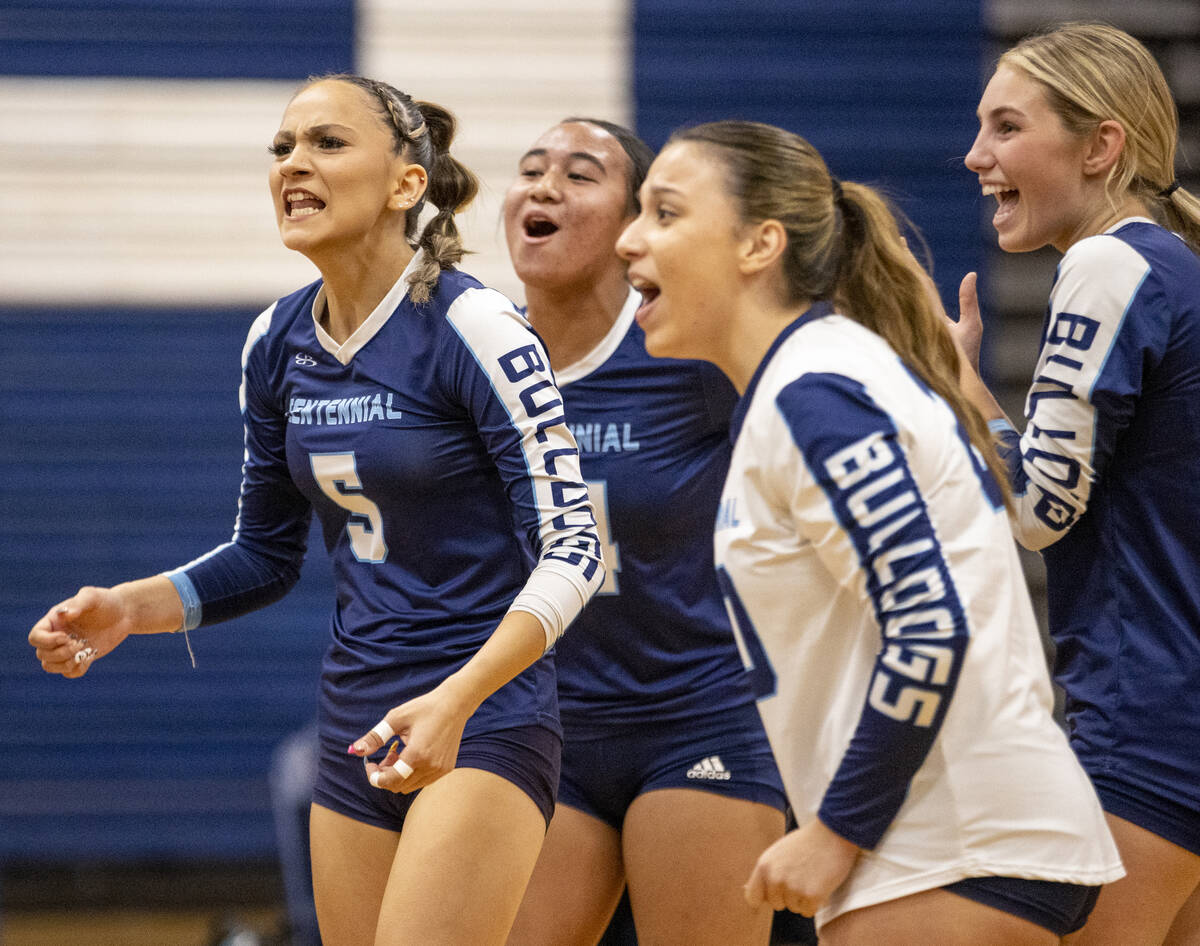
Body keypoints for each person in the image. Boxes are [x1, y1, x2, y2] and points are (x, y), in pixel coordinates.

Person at [27, 74, 604, 946]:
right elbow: (262, 554)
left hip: (482, 714)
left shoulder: (476, 326)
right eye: (283, 148)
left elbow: (575, 547)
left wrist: (457, 699)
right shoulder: (278, 341)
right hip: (354, 720)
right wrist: (126, 609)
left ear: (407, 185)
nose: (294, 164)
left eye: (327, 144)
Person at [614, 119, 1125, 946]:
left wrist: (836, 831)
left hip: (954, 848)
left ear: (759, 245)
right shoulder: (812, 380)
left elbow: (928, 626)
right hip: (955, 847)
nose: (629, 241)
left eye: (665, 213)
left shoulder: (818, 393)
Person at [500, 118, 790, 946]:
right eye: (530, 170)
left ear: (635, 225)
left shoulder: (689, 348)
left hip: (698, 718)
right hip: (543, 728)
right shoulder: (477, 356)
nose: (545, 186)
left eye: (580, 174)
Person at [954, 22, 1200, 946]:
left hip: (1146, 723)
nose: (976, 155)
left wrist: (961, 387)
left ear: (1101, 147)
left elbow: (1037, 512)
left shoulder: (1109, 264)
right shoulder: (1177, 270)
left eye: (1008, 127)